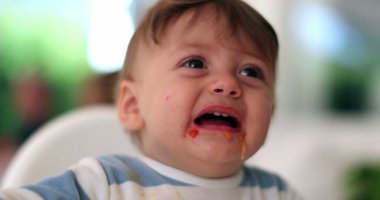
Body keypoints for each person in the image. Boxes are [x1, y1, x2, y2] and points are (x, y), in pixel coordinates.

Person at [0, 0, 304, 199]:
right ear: (133, 105)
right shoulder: (104, 185)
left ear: (271, 112)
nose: (227, 84)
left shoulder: (276, 192)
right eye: (195, 63)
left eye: (251, 71)